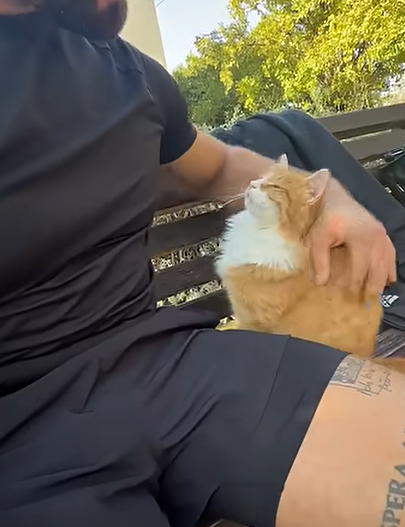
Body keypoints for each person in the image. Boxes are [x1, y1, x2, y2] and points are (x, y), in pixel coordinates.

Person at [0, 1, 404, 527]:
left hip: (170, 363)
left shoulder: (127, 70)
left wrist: (331, 199)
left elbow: (220, 165)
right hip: (20, 431)